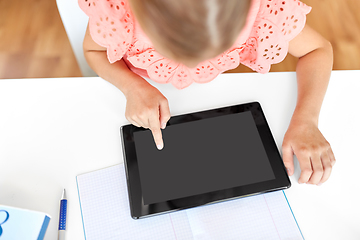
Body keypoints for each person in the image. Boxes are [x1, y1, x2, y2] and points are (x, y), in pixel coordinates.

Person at [79, 0, 335, 186]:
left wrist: (306, 121)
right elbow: (94, 51)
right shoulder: (119, 9)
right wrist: (132, 86)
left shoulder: (262, 9)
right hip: (137, 86)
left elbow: (317, 50)